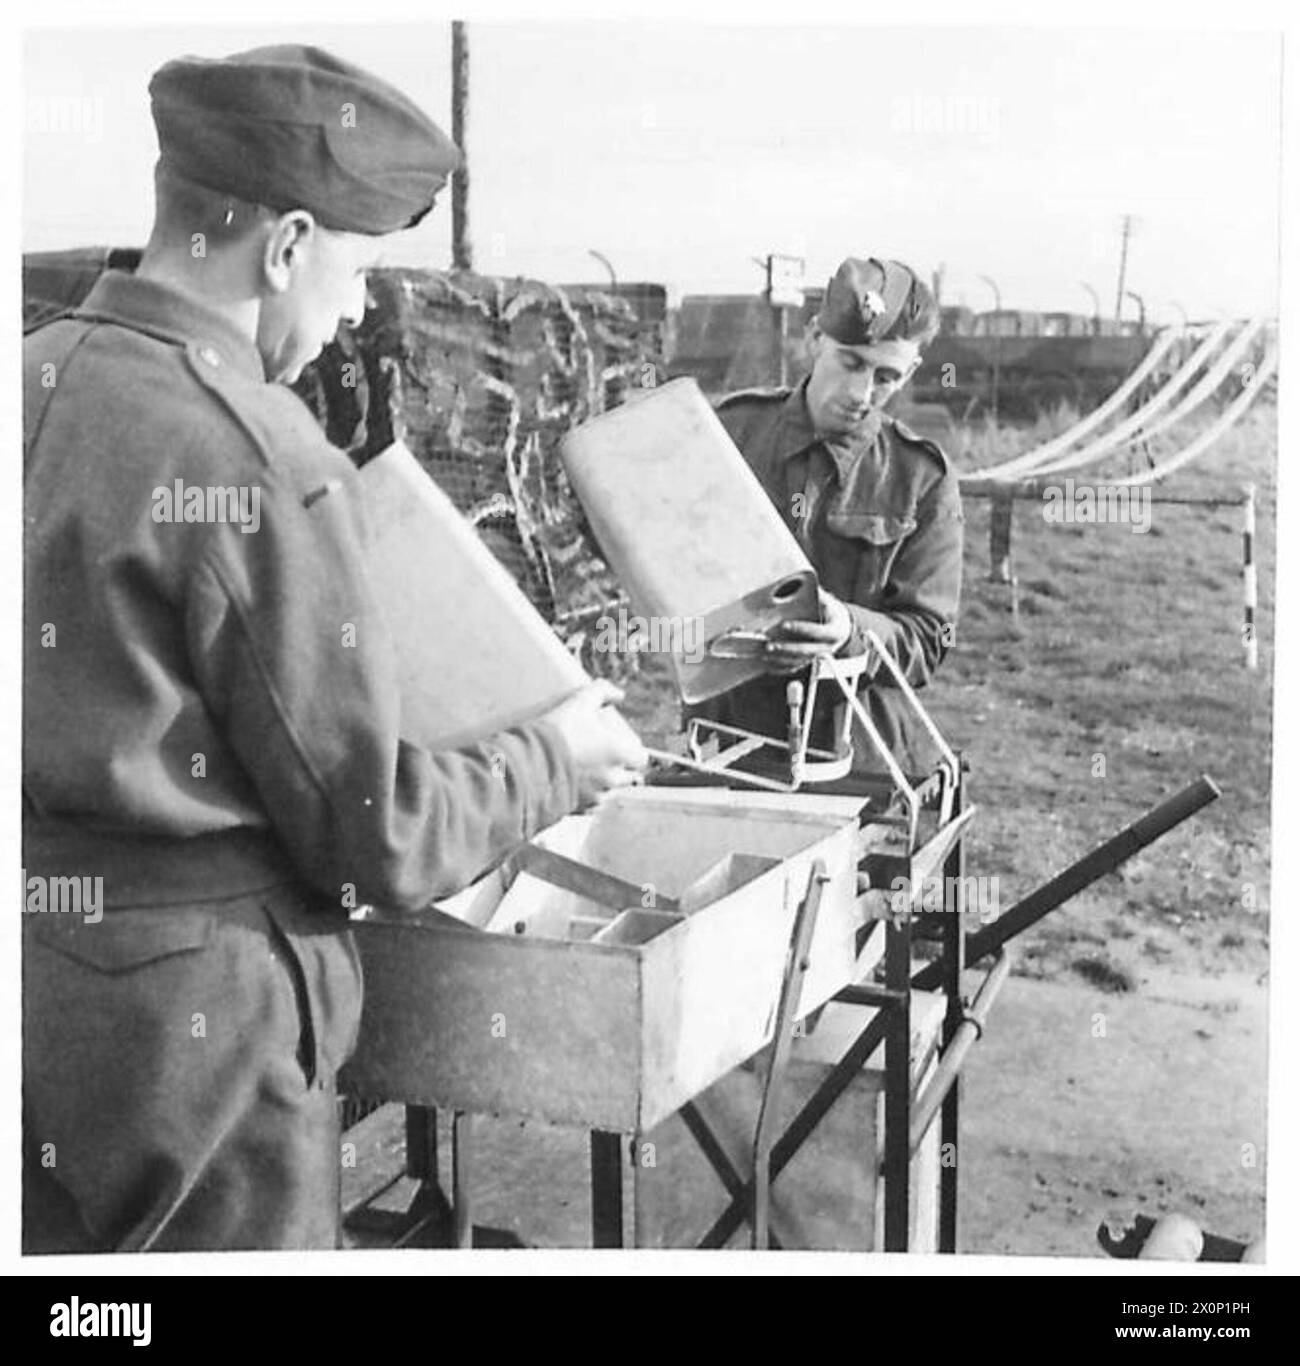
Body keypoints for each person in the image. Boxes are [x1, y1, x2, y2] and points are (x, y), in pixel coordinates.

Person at [22, 44, 646, 1253]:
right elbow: (377, 836)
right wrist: (555, 755)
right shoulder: (254, 451)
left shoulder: (30, 372)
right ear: (286, 245)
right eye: (355, 268)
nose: (357, 308)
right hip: (194, 1037)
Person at [699, 256, 964, 776]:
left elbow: (929, 638)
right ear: (815, 337)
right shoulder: (727, 437)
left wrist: (848, 628)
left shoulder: (921, 477)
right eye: (851, 363)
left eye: (886, 376)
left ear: (910, 373)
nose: (861, 394)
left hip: (854, 760)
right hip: (724, 741)